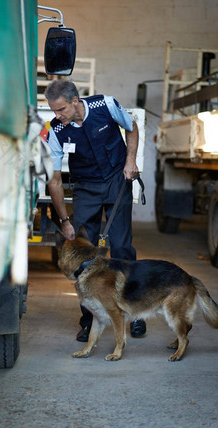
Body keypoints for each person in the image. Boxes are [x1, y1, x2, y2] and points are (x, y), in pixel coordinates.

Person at [45, 80, 146, 341]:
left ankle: (134, 314)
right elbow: (54, 180)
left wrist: (130, 160)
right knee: (83, 253)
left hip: (116, 180)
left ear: (76, 101)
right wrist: (65, 220)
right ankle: (90, 319)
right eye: (54, 111)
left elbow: (131, 126)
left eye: (61, 110)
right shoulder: (56, 130)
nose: (57, 116)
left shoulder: (106, 105)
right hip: (85, 188)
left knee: (122, 248)